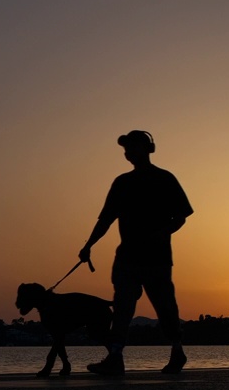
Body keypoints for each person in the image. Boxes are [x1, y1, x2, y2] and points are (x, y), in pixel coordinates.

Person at [78, 130, 193, 376]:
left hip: (157, 258)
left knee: (165, 307)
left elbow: (182, 216)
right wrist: (89, 245)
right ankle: (115, 357)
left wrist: (164, 232)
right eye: (126, 149)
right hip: (127, 257)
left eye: (132, 148)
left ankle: (177, 351)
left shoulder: (165, 179)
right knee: (122, 306)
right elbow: (106, 219)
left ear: (148, 149)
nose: (128, 154)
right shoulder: (122, 183)